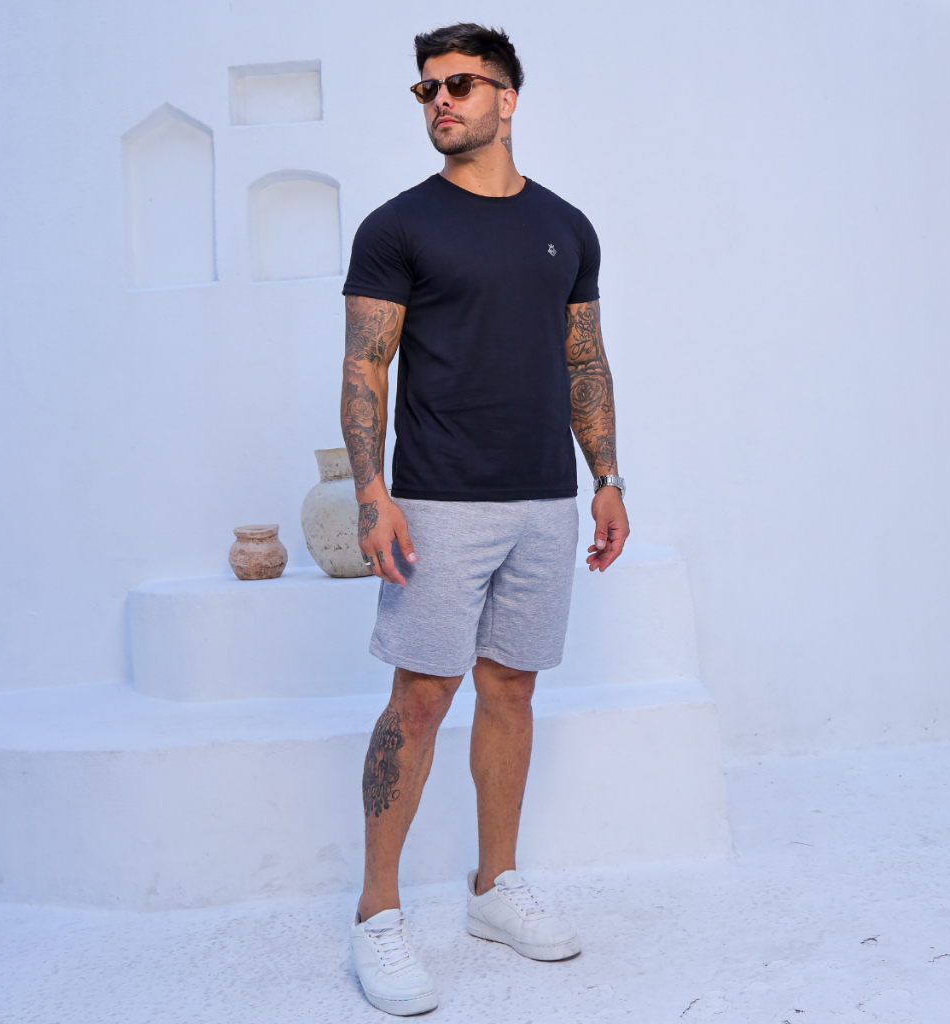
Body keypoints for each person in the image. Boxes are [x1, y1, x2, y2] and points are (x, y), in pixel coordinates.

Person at [341, 22, 629, 1016]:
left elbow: (584, 357)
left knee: (511, 689)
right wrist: (370, 493)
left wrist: (606, 477)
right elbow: (364, 366)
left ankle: (493, 887)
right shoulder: (398, 226)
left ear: (508, 98)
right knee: (420, 699)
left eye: (459, 84)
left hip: (544, 497)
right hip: (437, 501)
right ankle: (377, 913)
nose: (440, 101)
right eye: (426, 89)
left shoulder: (566, 225)